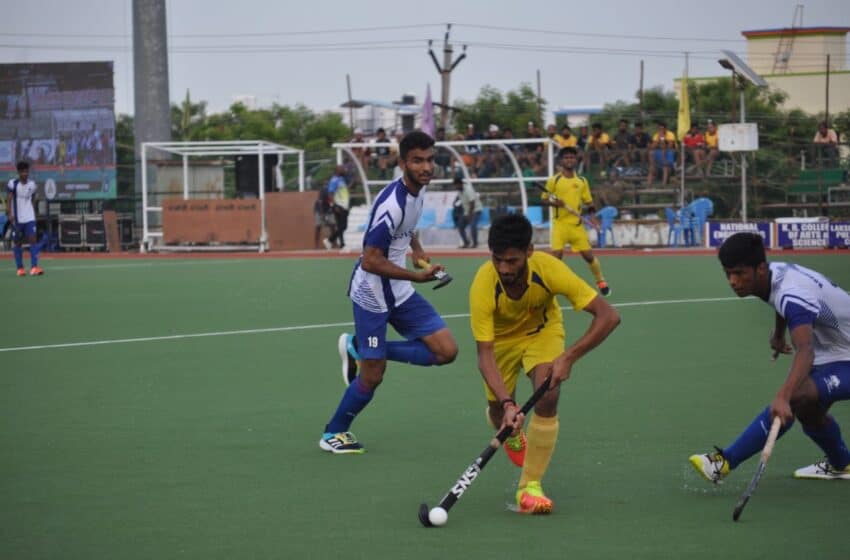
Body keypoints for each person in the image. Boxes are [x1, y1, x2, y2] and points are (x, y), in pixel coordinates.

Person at [319, 130, 459, 454]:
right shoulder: (391, 204)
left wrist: (419, 252)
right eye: (417, 161)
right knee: (373, 375)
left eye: (429, 160)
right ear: (402, 163)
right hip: (372, 294)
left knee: (446, 351)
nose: (426, 167)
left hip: (399, 288)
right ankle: (333, 433)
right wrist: (416, 275)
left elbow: (407, 230)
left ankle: (360, 348)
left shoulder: (417, 191)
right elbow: (370, 260)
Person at [470, 213, 620, 513]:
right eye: (497, 260)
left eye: (512, 261)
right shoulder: (483, 284)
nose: (504, 268)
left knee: (548, 395)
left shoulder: (549, 268)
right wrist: (508, 402)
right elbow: (484, 355)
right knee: (501, 413)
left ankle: (530, 487)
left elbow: (609, 316)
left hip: (542, 332)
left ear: (529, 251)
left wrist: (568, 357)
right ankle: (510, 431)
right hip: (500, 343)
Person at [689, 232, 850, 483]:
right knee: (809, 412)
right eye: (728, 273)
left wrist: (783, 396)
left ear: (760, 269)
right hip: (834, 352)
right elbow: (781, 302)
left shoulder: (792, 293)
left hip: (840, 355)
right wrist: (778, 333)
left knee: (797, 396)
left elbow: (805, 349)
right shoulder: (774, 274)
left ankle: (724, 462)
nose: (733, 281)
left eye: (740, 273)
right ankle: (843, 465)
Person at [540, 147, 611, 296]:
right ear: (561, 161)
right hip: (560, 225)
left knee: (588, 256)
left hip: (577, 226)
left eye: (572, 157)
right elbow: (544, 200)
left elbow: (589, 203)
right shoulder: (554, 180)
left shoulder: (582, 181)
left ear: (576, 160)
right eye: (566, 157)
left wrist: (593, 217)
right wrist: (555, 204)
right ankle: (550, 287)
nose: (570, 160)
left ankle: (601, 281)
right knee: (557, 257)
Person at [6, 161, 43, 276]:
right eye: (22, 172)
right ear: (18, 172)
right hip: (17, 219)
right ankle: (20, 268)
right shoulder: (13, 184)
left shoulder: (32, 185)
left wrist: (33, 212)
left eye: (27, 171)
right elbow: (9, 199)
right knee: (17, 242)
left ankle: (34, 267)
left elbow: (33, 199)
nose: (25, 174)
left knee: (33, 239)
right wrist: (10, 214)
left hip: (29, 217)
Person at [452, 176, 483, 249]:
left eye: (455, 185)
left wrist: (469, 214)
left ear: (459, 184)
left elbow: (472, 202)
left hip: (476, 210)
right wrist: (454, 201)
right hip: (467, 211)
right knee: (460, 225)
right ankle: (466, 243)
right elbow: (458, 196)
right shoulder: (460, 190)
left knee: (473, 226)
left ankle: (475, 243)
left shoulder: (468, 189)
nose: (455, 187)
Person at [325, 165, 350, 250]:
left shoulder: (342, 180)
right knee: (342, 226)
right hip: (338, 206)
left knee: (342, 226)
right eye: (342, 169)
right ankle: (341, 245)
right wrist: (334, 206)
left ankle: (330, 240)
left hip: (344, 206)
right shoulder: (334, 180)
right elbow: (330, 193)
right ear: (337, 170)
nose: (344, 169)